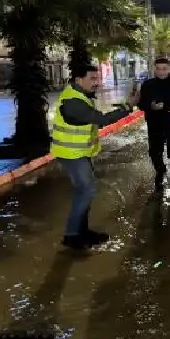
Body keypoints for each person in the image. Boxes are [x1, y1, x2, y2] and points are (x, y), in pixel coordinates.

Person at [51, 65, 139, 250]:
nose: (97, 83)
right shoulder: (73, 101)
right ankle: (73, 235)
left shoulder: (79, 96)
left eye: (97, 79)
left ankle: (81, 232)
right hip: (72, 155)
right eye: (92, 79)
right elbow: (102, 120)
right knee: (86, 192)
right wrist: (128, 106)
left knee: (83, 193)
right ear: (78, 80)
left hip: (78, 153)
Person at [138, 57, 170, 194]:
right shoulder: (148, 85)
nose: (161, 72)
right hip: (154, 125)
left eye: (164, 69)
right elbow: (142, 104)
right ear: (154, 69)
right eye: (158, 69)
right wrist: (151, 106)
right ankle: (160, 170)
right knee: (155, 153)